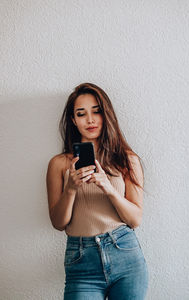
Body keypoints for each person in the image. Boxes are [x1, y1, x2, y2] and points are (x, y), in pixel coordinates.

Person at [46, 83, 149, 300]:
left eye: (96, 111)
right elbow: (58, 223)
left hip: (125, 255)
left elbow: (135, 219)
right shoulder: (59, 164)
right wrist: (71, 189)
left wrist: (109, 189)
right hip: (81, 260)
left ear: (106, 114)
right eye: (81, 114)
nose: (90, 120)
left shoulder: (127, 159)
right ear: (73, 120)